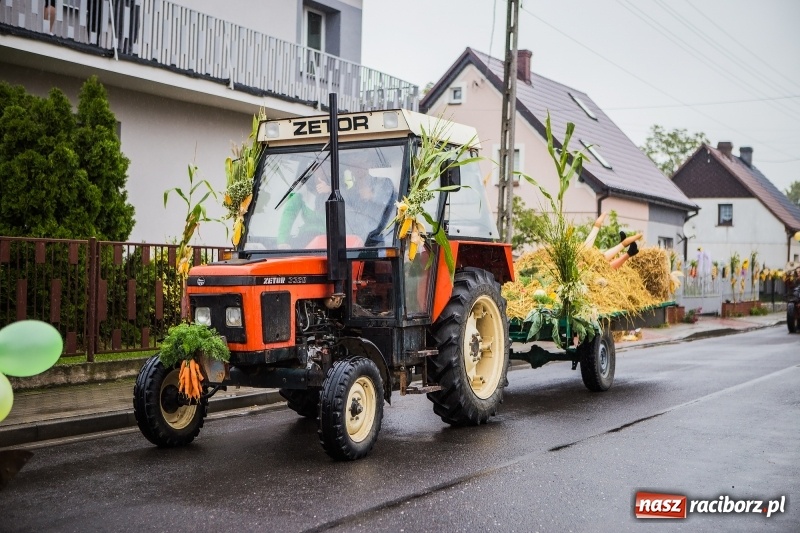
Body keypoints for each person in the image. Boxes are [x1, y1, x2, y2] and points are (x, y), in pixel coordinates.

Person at [341, 153, 397, 247]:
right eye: (353, 165)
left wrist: (373, 196)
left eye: (361, 164)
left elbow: (392, 202)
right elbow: (346, 208)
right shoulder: (351, 192)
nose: (357, 168)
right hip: (357, 240)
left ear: (368, 165)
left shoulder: (383, 182)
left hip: (381, 239)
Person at [276, 166, 329, 249]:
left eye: (324, 167)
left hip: (333, 240)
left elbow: (351, 202)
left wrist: (331, 190)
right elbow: (289, 213)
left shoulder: (338, 186)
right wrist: (282, 241)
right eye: (318, 168)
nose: (321, 171)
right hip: (307, 239)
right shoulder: (302, 189)